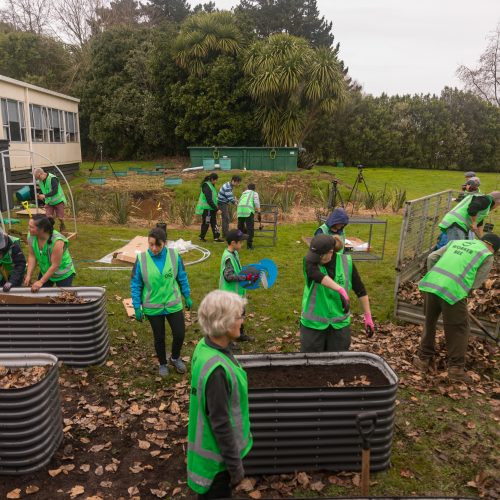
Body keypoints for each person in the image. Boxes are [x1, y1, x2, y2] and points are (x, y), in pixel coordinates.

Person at [187, 290, 253, 499]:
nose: (242, 321)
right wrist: (236, 468)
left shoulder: (204, 346)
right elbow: (220, 422)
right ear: (224, 323)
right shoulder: (217, 370)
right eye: (238, 316)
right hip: (216, 463)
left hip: (210, 456)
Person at [414, 233, 499, 382]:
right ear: (494, 248)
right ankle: (456, 370)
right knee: (459, 329)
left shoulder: (456, 242)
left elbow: (432, 258)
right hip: (454, 291)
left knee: (430, 322)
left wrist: (438, 278)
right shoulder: (487, 255)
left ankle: (423, 360)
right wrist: (463, 292)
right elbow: (477, 282)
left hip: (432, 284)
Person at [131, 227, 192, 377]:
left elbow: (182, 277)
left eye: (158, 245)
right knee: (159, 337)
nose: (154, 248)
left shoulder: (174, 256)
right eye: (150, 244)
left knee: (179, 334)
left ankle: (175, 358)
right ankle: (163, 363)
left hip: (173, 303)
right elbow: (136, 283)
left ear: (165, 243)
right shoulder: (142, 259)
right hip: (153, 307)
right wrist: (136, 306)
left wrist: (187, 295)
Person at [300, 234, 374, 352]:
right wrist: (340, 289)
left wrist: (368, 316)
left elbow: (360, 289)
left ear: (330, 252)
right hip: (313, 325)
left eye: (318, 256)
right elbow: (315, 274)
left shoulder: (346, 262)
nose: (315, 258)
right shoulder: (310, 261)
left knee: (336, 364)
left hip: (339, 325)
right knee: (311, 365)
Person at [219, 228, 257, 342]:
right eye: (240, 242)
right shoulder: (228, 257)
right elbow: (229, 276)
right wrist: (245, 277)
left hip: (237, 293)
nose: (242, 243)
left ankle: (239, 334)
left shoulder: (234, 253)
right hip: (230, 294)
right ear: (233, 243)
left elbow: (237, 270)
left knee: (240, 314)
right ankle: (227, 339)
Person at [23, 215, 75, 292]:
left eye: (31, 227)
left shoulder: (57, 241)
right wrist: (28, 275)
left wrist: (41, 281)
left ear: (42, 229)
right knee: (40, 296)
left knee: (64, 298)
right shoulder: (31, 236)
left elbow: (55, 265)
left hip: (63, 273)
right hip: (46, 270)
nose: (28, 229)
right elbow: (32, 256)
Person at [34, 168, 67, 232]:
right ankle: (51, 230)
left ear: (41, 174)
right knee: (48, 217)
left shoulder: (52, 178)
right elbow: (45, 188)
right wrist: (39, 194)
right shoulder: (40, 181)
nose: (38, 180)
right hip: (49, 202)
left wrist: (44, 196)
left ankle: (62, 224)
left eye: (38, 177)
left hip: (58, 200)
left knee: (60, 217)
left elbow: (55, 191)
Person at [195, 173, 223, 243]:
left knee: (214, 223)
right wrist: (217, 209)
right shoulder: (206, 186)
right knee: (206, 223)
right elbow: (209, 200)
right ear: (212, 179)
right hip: (207, 210)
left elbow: (214, 199)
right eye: (216, 180)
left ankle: (216, 238)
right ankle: (201, 237)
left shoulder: (211, 185)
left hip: (211, 209)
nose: (216, 181)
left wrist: (215, 208)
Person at [0, 228, 26, 292]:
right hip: (1, 271)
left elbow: (20, 264)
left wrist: (12, 281)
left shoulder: (14, 244)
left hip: (14, 271)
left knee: (13, 291)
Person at [237, 183, 261, 250]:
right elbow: (256, 202)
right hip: (248, 210)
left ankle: (238, 243)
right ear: (254, 188)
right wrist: (259, 212)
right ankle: (249, 246)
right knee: (250, 228)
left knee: (240, 227)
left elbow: (239, 201)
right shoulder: (254, 193)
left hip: (240, 210)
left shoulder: (244, 193)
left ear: (248, 188)